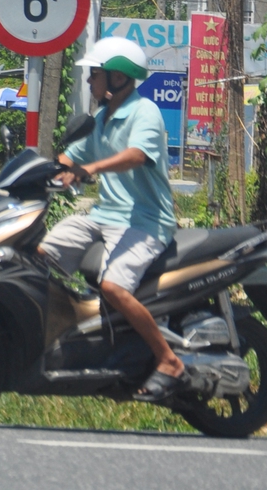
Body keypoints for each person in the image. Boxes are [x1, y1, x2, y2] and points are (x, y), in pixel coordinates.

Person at [43, 37, 186, 400]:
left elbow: (137, 155)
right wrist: (50, 170)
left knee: (113, 287)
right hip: (104, 216)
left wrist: (89, 168)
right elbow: (70, 156)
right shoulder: (102, 119)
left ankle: (168, 359)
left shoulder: (144, 113)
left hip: (145, 221)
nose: (90, 82)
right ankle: (63, 337)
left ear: (119, 78)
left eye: (96, 75)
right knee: (40, 257)